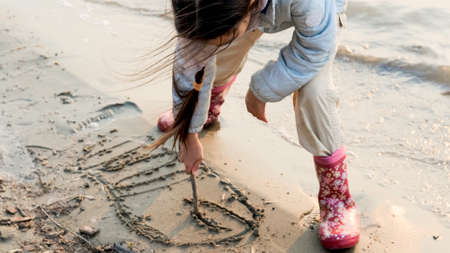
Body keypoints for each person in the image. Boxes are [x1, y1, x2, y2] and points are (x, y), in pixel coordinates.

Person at [151, 0, 359, 249]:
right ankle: (209, 107)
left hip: (318, 13)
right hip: (239, 9)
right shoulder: (198, 7)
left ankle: (336, 197)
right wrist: (188, 133)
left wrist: (262, 90)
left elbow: (314, 51)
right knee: (220, 50)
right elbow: (191, 61)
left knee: (315, 93)